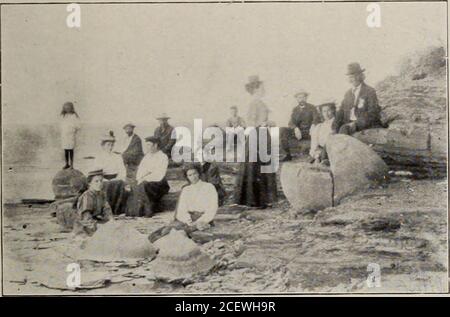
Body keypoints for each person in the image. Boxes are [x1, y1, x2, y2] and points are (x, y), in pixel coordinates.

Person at [233, 75, 278, 208]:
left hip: (262, 135)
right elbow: (251, 122)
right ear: (256, 88)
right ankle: (255, 200)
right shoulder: (254, 103)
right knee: (256, 166)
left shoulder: (260, 102)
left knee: (262, 165)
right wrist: (267, 122)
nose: (264, 89)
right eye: (262, 87)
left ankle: (262, 199)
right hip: (257, 136)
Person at [148, 163, 218, 243]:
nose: (193, 177)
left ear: (199, 173)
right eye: (190, 175)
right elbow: (182, 209)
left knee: (173, 233)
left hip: (203, 218)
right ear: (187, 177)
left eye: (195, 173)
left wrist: (201, 221)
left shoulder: (209, 187)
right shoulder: (186, 189)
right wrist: (187, 220)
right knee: (161, 232)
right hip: (188, 218)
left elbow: (212, 209)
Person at [126, 136, 170, 217]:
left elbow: (159, 174)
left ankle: (148, 211)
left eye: (149, 145)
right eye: (146, 145)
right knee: (135, 185)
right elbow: (140, 171)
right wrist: (139, 179)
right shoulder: (147, 156)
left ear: (155, 145)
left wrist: (145, 179)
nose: (147, 147)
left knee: (145, 185)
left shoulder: (163, 157)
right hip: (145, 181)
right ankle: (136, 211)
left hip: (159, 183)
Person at [335, 63, 382, 135]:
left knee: (345, 131)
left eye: (355, 76)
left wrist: (356, 124)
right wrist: (334, 127)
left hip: (365, 125)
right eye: (350, 77)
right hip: (349, 125)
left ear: (361, 76)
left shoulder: (369, 91)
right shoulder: (348, 94)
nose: (353, 79)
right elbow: (341, 111)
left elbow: (373, 113)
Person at [93, 131, 129, 214]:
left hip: (116, 179)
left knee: (118, 184)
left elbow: (122, 170)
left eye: (112, 145)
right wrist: (103, 179)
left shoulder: (117, 157)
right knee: (106, 186)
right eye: (108, 145)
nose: (110, 147)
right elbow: (96, 171)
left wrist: (118, 178)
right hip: (104, 179)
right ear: (103, 146)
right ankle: (105, 210)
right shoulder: (99, 157)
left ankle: (116, 210)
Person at [280, 90, 320, 161]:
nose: (301, 99)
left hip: (309, 132)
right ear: (297, 99)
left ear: (306, 98)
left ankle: (313, 155)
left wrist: (313, 125)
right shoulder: (295, 109)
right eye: (299, 98)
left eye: (303, 97)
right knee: (282, 130)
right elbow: (291, 122)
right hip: (298, 132)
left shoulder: (312, 107)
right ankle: (287, 155)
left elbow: (316, 118)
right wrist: (295, 128)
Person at [73, 169, 114, 237]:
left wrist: (111, 220)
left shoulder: (102, 195)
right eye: (96, 181)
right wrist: (98, 226)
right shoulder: (87, 196)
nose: (99, 183)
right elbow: (86, 218)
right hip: (84, 227)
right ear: (90, 183)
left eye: (101, 181)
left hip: (96, 222)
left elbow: (107, 210)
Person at [309, 102, 339, 166]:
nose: (326, 113)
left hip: (333, 152)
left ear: (333, 110)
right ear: (321, 113)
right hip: (320, 153)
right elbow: (314, 144)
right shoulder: (319, 126)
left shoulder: (337, 124)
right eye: (324, 111)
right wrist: (316, 156)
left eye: (329, 110)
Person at [60, 101, 81, 169]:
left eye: (68, 108)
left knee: (71, 150)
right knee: (66, 150)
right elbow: (61, 124)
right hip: (65, 135)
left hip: (71, 135)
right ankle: (67, 164)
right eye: (66, 108)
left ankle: (71, 164)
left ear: (71, 108)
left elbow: (78, 125)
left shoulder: (74, 115)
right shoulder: (63, 115)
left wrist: (74, 130)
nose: (67, 109)